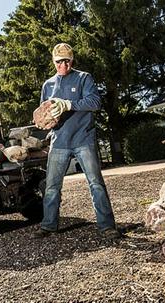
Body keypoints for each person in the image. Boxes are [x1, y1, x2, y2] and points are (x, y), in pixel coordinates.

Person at [33, 43, 120, 239]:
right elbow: (45, 113)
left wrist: (68, 104)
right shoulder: (48, 85)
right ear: (53, 61)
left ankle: (107, 227)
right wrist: (44, 120)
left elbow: (95, 102)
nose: (63, 65)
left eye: (67, 61)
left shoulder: (83, 78)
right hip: (59, 141)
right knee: (52, 186)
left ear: (72, 60)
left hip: (83, 139)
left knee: (95, 183)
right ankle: (49, 225)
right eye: (58, 61)